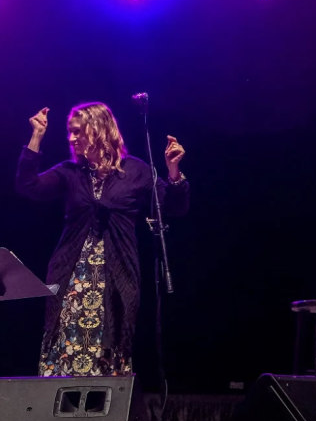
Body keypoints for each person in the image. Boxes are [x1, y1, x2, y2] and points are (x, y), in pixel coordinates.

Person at [16, 102, 189, 377]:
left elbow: (174, 207)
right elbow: (29, 187)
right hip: (70, 275)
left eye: (77, 132)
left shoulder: (136, 171)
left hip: (117, 275)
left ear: (97, 129)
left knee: (111, 346)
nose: (71, 139)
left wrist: (173, 170)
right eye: (70, 133)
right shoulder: (70, 172)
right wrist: (36, 136)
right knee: (64, 347)